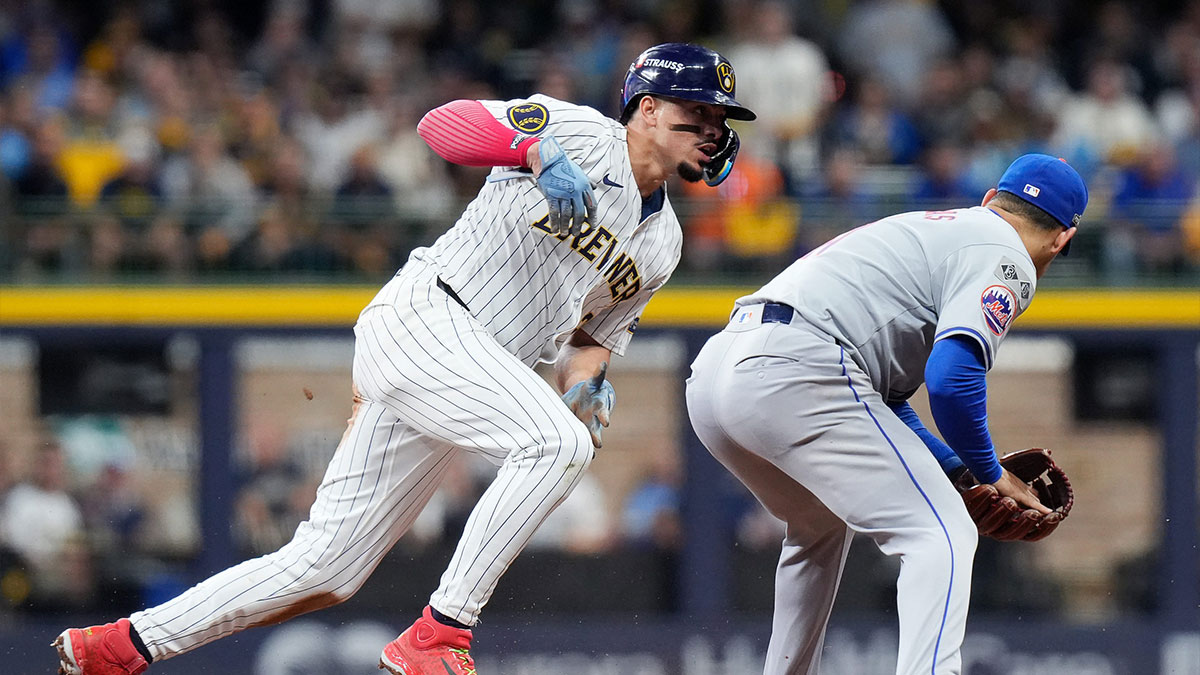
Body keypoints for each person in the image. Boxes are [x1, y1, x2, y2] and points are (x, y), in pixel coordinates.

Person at [54, 42, 755, 675]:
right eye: (701, 112)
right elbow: (441, 126)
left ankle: (118, 646)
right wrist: (533, 151)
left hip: (472, 368)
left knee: (328, 566)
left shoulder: (664, 245)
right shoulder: (576, 131)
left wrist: (587, 381)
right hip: (431, 316)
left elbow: (592, 336)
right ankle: (439, 632)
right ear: (649, 107)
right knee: (555, 444)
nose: (714, 131)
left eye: (721, 121)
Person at [685, 153, 1086, 675]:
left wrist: (957, 470)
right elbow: (951, 382)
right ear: (1062, 239)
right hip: (799, 368)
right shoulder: (1007, 256)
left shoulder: (938, 229)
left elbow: (881, 402)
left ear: (990, 198)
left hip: (721, 370)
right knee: (942, 533)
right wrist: (990, 472)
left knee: (818, 524)